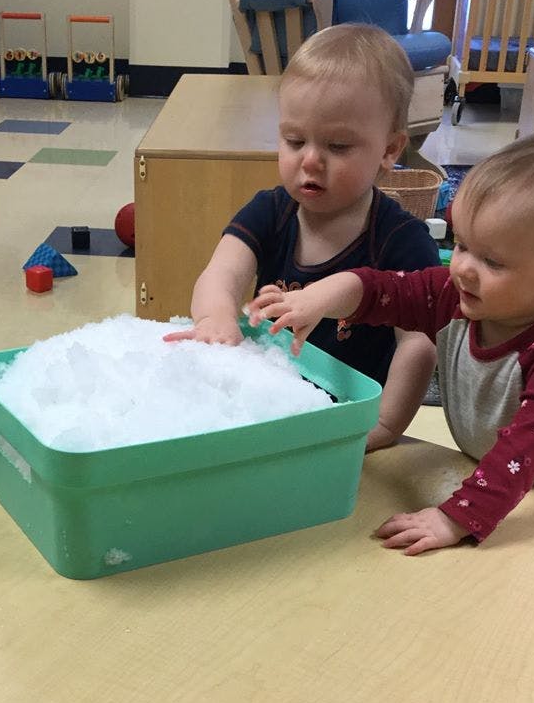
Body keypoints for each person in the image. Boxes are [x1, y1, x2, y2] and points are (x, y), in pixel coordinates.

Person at [247, 128, 534, 555]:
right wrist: (315, 299)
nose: (463, 269)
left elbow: (523, 450)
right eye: (461, 245)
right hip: (488, 472)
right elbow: (381, 289)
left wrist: (453, 518)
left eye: (491, 260)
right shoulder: (455, 295)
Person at [164, 23, 440, 450]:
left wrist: (383, 427)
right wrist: (214, 317)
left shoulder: (402, 239)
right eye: (294, 140)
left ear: (389, 149)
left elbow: (418, 347)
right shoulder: (271, 210)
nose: (310, 160)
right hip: (271, 403)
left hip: (348, 418)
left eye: (339, 146)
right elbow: (222, 273)